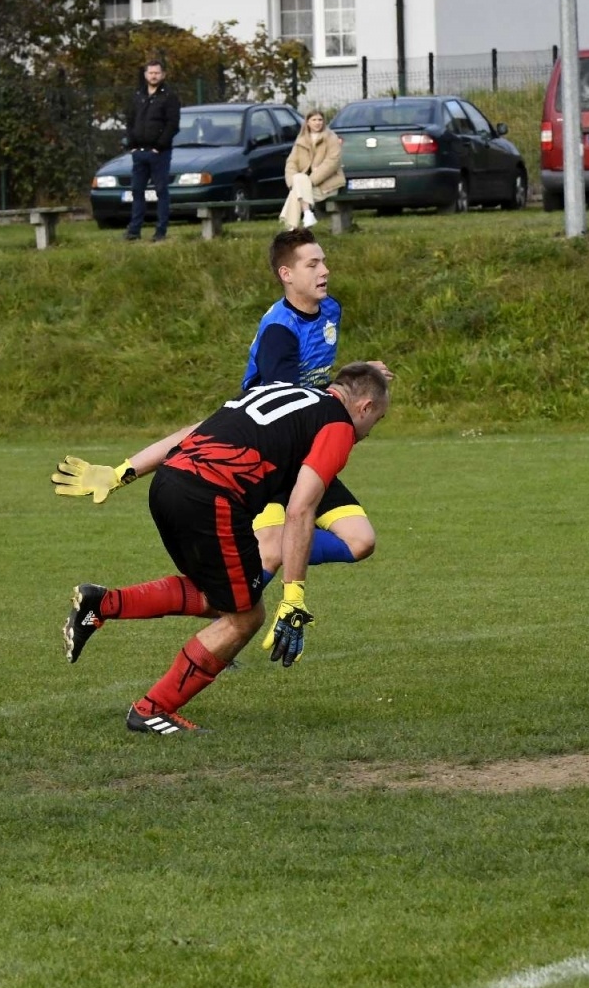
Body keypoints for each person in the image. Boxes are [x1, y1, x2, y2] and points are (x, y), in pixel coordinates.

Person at [53, 228, 386, 600]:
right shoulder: (279, 333)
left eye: (324, 261)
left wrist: (358, 376)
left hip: (304, 446)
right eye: (313, 264)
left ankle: (257, 568)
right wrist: (120, 473)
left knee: (360, 540)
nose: (324, 270)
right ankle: (224, 614)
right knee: (263, 564)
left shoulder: (330, 310)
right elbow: (289, 401)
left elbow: (312, 385)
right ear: (286, 275)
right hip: (269, 452)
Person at [63, 362, 390, 734]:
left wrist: (122, 473)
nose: (369, 431)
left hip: (169, 485)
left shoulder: (277, 391)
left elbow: (192, 433)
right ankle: (152, 709)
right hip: (212, 500)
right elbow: (300, 510)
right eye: (376, 420)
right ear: (364, 407)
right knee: (244, 617)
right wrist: (294, 596)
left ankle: (103, 604)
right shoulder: (337, 426)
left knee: (222, 596)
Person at [124, 60, 181, 243]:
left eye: (157, 73)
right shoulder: (138, 96)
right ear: (145, 74)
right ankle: (134, 230)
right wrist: (132, 145)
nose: (153, 76)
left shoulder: (169, 97)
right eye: (150, 73)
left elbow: (172, 125)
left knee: (161, 191)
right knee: (137, 191)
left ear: (163, 75)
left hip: (159, 153)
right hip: (139, 152)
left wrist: (159, 146)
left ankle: (160, 231)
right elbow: (130, 121)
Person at [280, 110, 344, 230]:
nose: (317, 123)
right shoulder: (301, 140)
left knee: (295, 193)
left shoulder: (331, 138)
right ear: (307, 122)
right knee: (298, 179)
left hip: (327, 184)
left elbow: (332, 163)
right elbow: (291, 163)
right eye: (314, 120)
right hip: (303, 184)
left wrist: (309, 181)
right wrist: (292, 182)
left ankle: (292, 228)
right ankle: (307, 214)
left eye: (320, 120)